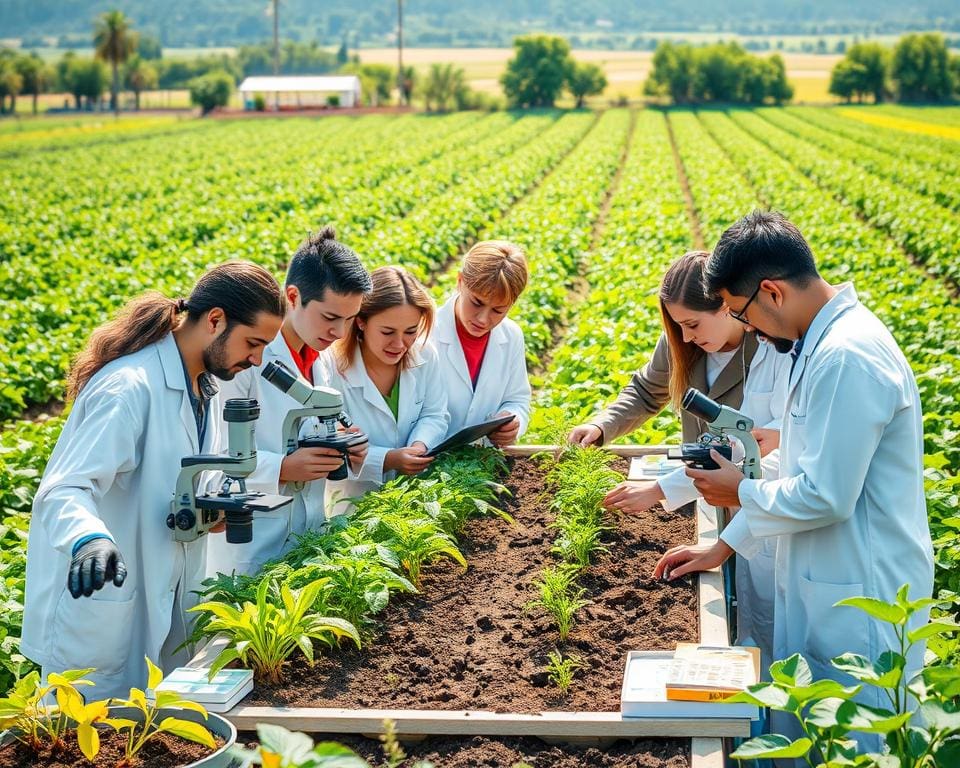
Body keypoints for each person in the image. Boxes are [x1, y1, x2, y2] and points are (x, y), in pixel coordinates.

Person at [654, 211, 934, 754]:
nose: (751, 330)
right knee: (814, 732)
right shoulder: (817, 348)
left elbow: (826, 495)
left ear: (772, 292)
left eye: (743, 314)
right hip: (827, 577)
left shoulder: (846, 357)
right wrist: (725, 544)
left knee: (859, 744)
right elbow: (799, 467)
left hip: (863, 590)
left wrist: (741, 493)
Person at [22, 262, 285, 697]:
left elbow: (175, 484)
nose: (256, 360)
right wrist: (89, 539)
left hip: (170, 595)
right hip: (108, 608)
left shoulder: (207, 388)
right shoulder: (128, 388)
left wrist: (208, 511)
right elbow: (65, 487)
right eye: (253, 343)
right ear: (215, 320)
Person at [568, 251, 790, 669]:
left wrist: (659, 490)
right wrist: (602, 427)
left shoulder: (766, 351)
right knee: (735, 606)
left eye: (692, 324)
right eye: (678, 326)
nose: (685, 338)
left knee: (763, 613)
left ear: (727, 306)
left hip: (754, 495)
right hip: (708, 495)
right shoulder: (682, 340)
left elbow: (750, 447)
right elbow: (645, 391)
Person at [206, 227, 372, 577]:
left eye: (349, 319)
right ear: (293, 296)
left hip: (308, 531)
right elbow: (214, 451)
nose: (340, 333)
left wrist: (349, 448)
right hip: (251, 542)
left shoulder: (320, 356)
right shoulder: (246, 358)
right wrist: (281, 468)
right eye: (330, 317)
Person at [322, 266, 449, 512]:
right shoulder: (332, 369)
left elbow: (434, 413)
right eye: (387, 332)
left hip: (413, 501)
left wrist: (419, 445)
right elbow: (331, 447)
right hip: (352, 507)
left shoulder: (424, 354)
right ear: (360, 321)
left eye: (411, 331)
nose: (400, 343)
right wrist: (387, 460)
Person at [433, 240, 531, 446]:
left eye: (498, 310)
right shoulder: (425, 333)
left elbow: (518, 399)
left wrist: (513, 420)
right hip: (429, 467)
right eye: (476, 302)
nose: (483, 319)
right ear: (460, 281)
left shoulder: (512, 336)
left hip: (483, 461)